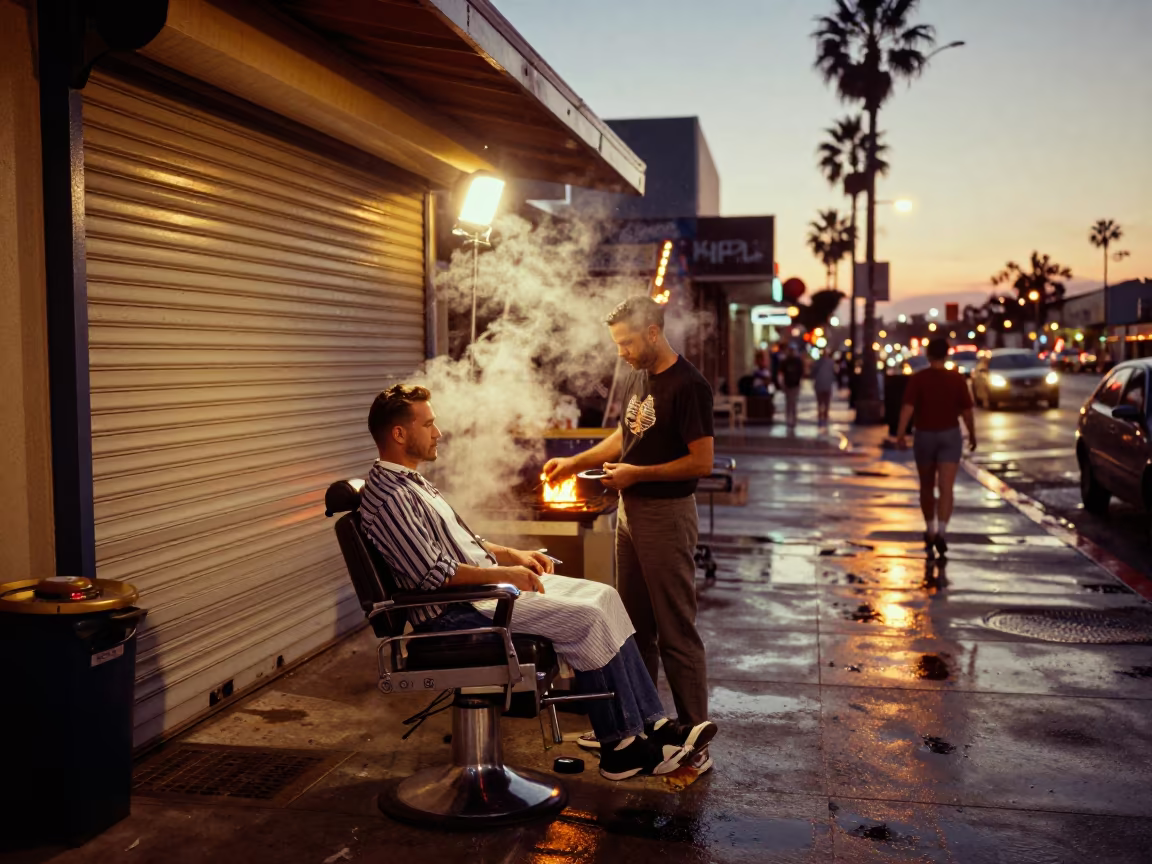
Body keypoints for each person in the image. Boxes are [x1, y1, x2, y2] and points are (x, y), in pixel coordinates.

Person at [358, 384, 717, 781]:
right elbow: (433, 574)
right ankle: (621, 747)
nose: (438, 433)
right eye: (429, 425)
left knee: (606, 597)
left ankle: (654, 724)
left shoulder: (412, 482)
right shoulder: (391, 496)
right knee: (586, 619)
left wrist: (512, 555)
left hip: (479, 594)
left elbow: (465, 545)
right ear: (399, 434)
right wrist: (504, 575)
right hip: (456, 612)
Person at [541, 296, 717, 774]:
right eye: (617, 343)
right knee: (632, 629)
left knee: (676, 631)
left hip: (666, 515)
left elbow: (701, 462)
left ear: (654, 333)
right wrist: (576, 461)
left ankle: (694, 740)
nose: (621, 352)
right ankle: (637, 731)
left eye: (627, 342)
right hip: (630, 513)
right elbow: (627, 436)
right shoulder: (641, 376)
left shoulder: (689, 386)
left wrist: (637, 475)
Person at [895, 338, 978, 558]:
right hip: (950, 435)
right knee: (946, 487)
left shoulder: (919, 379)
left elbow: (907, 408)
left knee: (926, 486)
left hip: (925, 436)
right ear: (947, 354)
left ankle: (930, 528)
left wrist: (901, 434)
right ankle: (942, 530)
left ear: (928, 354)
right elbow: (967, 411)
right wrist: (972, 433)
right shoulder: (957, 379)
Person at [777, 345, 805, 429]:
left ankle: (793, 418)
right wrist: (782, 383)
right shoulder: (785, 361)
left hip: (795, 384)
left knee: (793, 402)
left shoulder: (797, 361)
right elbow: (781, 372)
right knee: (789, 402)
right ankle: (789, 418)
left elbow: (801, 373)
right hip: (788, 384)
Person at [812, 349, 836, 427]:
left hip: (820, 385)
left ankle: (821, 418)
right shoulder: (831, 363)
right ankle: (824, 417)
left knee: (821, 403)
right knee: (825, 403)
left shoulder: (818, 363)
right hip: (826, 385)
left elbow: (813, 373)